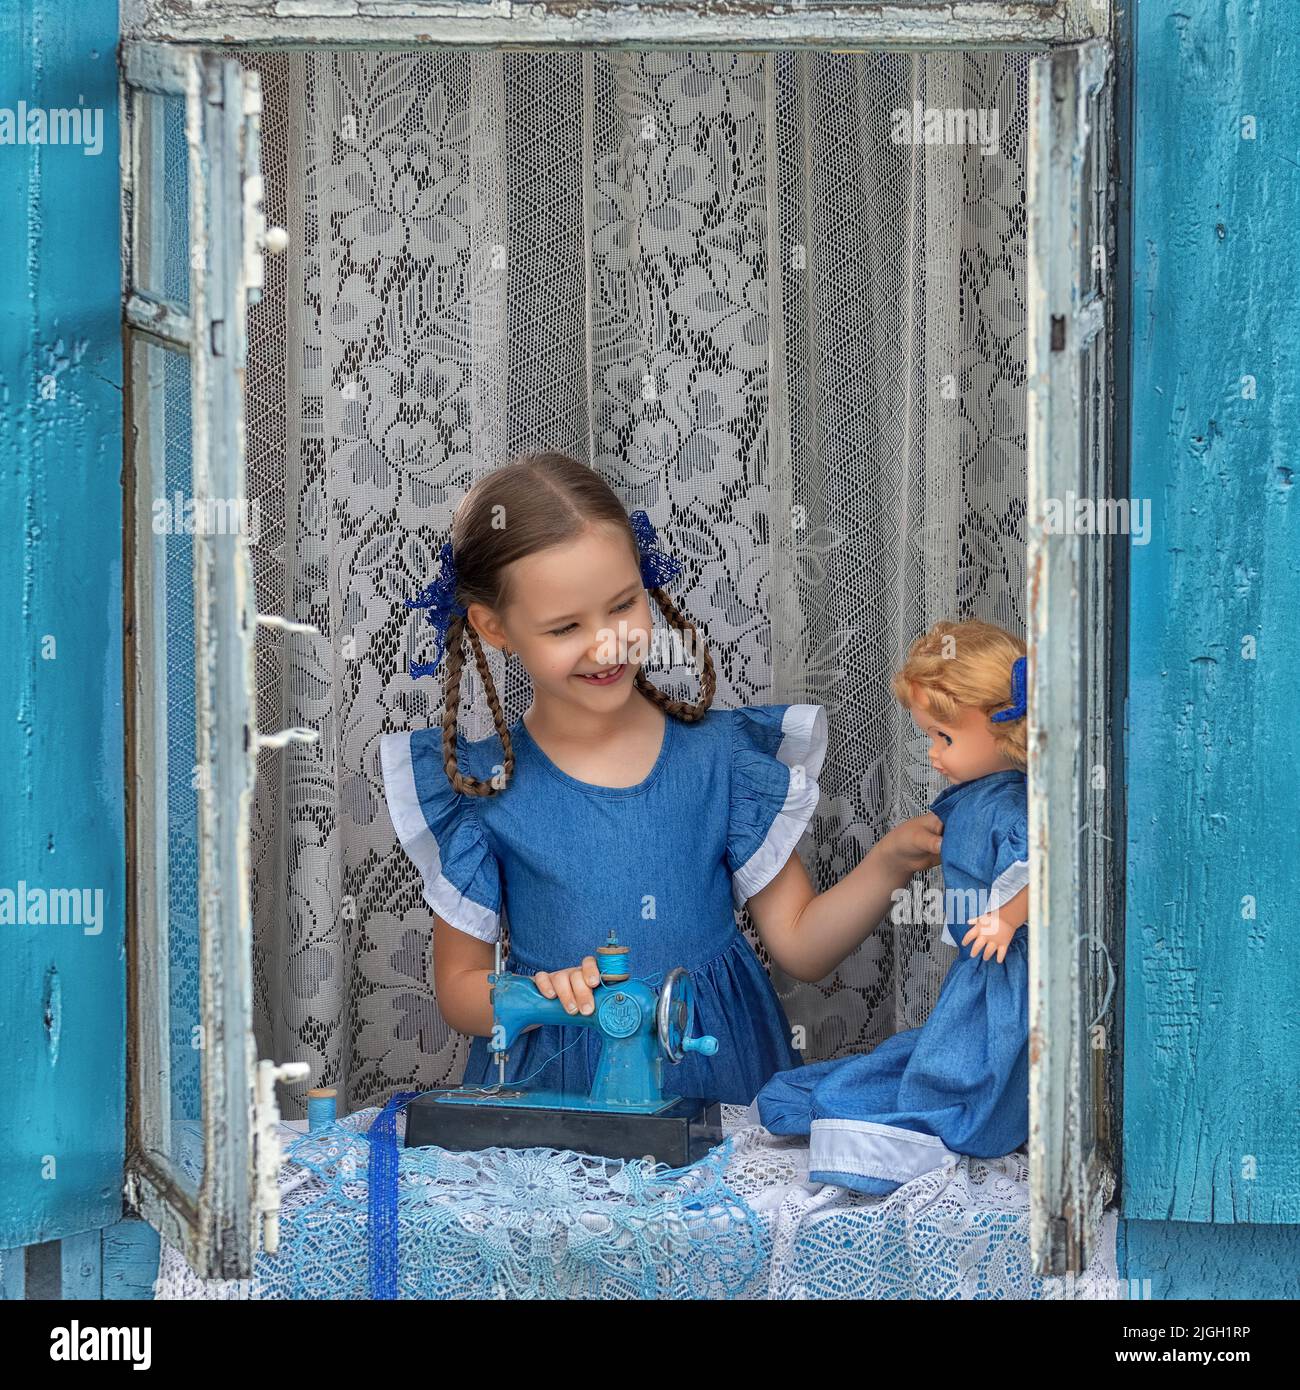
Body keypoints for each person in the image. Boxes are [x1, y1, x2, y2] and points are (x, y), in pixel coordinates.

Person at [379, 452, 941, 1105]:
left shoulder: (721, 760)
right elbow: (458, 989)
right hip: (562, 1086)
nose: (607, 643)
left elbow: (803, 948)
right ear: (495, 628)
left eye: (622, 605)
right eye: (566, 627)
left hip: (718, 1076)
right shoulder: (484, 792)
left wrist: (891, 863)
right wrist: (537, 996)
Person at [753, 619, 1031, 1191]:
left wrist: (1007, 917)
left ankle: (922, 1132)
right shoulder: (979, 798)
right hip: (980, 968)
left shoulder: (1011, 808)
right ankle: (871, 1113)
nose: (932, 755)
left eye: (944, 739)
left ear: (1005, 730)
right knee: (943, 1054)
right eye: (929, 737)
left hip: (1003, 969)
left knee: (969, 1064)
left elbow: (1050, 865)